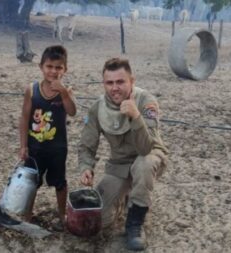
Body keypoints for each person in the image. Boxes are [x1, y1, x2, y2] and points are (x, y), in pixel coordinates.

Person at [78, 58, 169, 251]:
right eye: (109, 83)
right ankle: (126, 197)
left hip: (149, 156)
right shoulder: (97, 108)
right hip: (119, 165)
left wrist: (136, 116)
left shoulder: (146, 102)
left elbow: (146, 148)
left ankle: (135, 222)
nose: (115, 88)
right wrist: (86, 167)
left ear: (131, 81)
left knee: (143, 166)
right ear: (103, 84)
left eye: (120, 82)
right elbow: (87, 145)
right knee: (98, 221)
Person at [19, 45, 76, 231]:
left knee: (60, 182)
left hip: (58, 148)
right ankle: (27, 214)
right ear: (41, 67)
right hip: (35, 148)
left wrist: (65, 92)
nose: (53, 71)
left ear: (65, 70)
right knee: (31, 182)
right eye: (49, 66)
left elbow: (72, 112)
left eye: (58, 67)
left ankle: (62, 213)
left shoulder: (65, 91)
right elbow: (25, 118)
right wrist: (23, 146)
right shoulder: (32, 90)